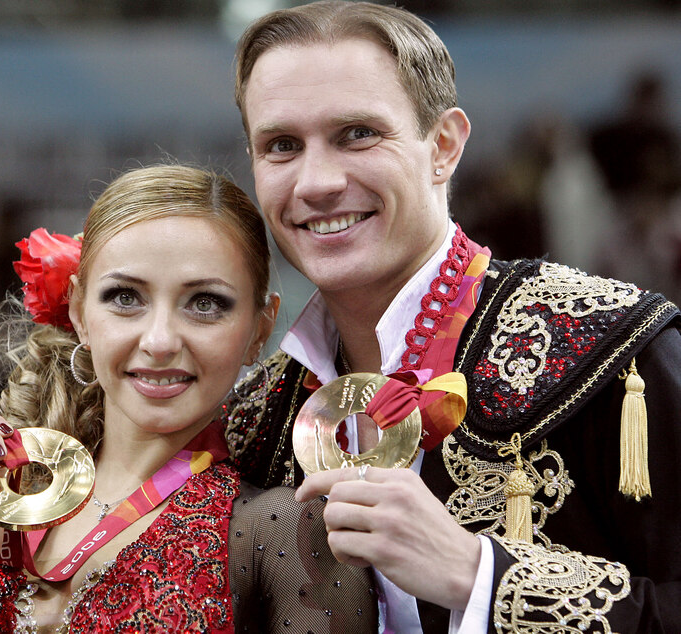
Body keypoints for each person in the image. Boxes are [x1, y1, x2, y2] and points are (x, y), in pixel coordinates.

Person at [222, 2, 681, 632]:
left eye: (358, 134)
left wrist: (479, 575)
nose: (318, 181)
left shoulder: (612, 351)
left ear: (443, 146)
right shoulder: (253, 418)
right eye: (281, 146)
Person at [0, 164, 377, 633]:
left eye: (205, 303)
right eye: (125, 297)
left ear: (259, 327)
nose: (159, 341)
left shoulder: (284, 531)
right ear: (77, 311)